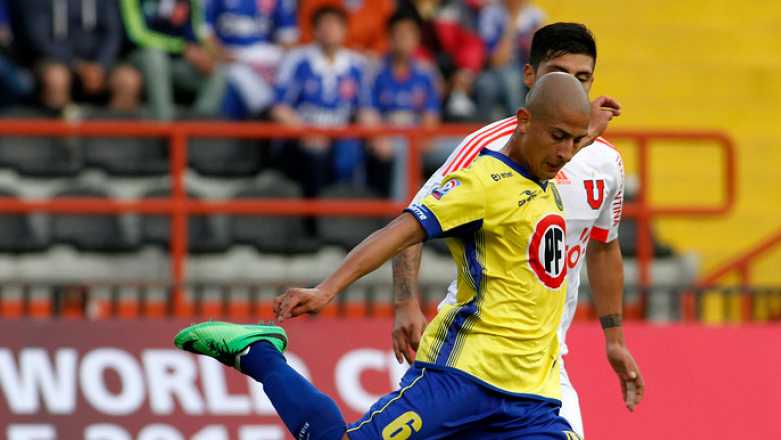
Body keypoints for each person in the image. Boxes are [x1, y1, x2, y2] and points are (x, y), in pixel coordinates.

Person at [176, 72, 611, 439]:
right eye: (558, 138)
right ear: (523, 121)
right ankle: (260, 355)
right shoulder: (482, 183)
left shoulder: (549, 166)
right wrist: (328, 289)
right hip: (461, 379)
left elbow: (567, 136)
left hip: (533, 397)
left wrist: (586, 128)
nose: (565, 153)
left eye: (575, 141)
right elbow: (400, 232)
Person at [389, 22, 637, 437]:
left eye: (583, 79)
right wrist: (404, 302)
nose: (573, 90)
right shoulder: (486, 148)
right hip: (469, 356)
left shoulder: (607, 165)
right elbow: (412, 221)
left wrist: (614, 338)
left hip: (545, 366)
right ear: (529, 77)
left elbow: (603, 247)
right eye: (559, 75)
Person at [270, 5, 376, 197]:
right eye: (324, 25)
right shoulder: (297, 60)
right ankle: (313, 221)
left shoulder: (356, 64)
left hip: (341, 135)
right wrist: (306, 132)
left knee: (361, 151)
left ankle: (351, 214)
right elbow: (280, 108)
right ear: (314, 30)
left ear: (345, 30)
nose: (329, 30)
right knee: (314, 152)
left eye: (335, 25)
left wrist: (378, 136)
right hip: (303, 135)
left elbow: (366, 109)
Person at [12, 0, 137, 114]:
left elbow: (113, 33)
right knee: (56, 78)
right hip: (54, 60)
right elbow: (40, 40)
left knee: (128, 80)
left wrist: (100, 65)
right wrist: (78, 66)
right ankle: (61, 136)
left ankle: (114, 136)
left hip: (99, 62)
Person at [366, 12, 442, 199]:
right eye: (399, 35)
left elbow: (431, 117)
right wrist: (377, 137)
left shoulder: (426, 72)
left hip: (419, 139)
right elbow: (368, 113)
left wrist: (424, 139)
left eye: (410, 35)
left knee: (466, 148)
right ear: (390, 38)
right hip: (387, 140)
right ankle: (401, 217)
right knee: (404, 150)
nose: (404, 40)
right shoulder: (375, 70)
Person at [120, 0, 227, 120]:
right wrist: (181, 47)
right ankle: (163, 125)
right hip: (138, 56)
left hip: (177, 61)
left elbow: (198, 32)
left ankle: (198, 130)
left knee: (219, 70)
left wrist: (207, 53)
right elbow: (136, 35)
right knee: (155, 57)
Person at [202, 0, 299, 119]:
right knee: (237, 73)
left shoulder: (281, 3)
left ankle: (273, 113)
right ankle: (269, 111)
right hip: (229, 58)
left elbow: (289, 42)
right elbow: (205, 37)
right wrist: (222, 55)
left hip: (266, 58)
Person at [475, 0, 544, 121]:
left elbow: (539, 56)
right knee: (507, 81)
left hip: (526, 68)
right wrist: (512, 23)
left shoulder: (534, 15)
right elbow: (497, 60)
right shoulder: (492, 14)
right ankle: (517, 125)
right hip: (495, 70)